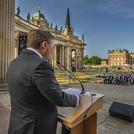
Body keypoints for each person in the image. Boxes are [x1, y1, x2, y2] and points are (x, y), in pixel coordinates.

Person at [7, 30, 81, 134]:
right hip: (35, 128)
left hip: (17, 125)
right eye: (53, 47)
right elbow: (58, 98)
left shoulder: (14, 62)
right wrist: (77, 98)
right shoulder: (41, 65)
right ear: (44, 45)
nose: (52, 51)